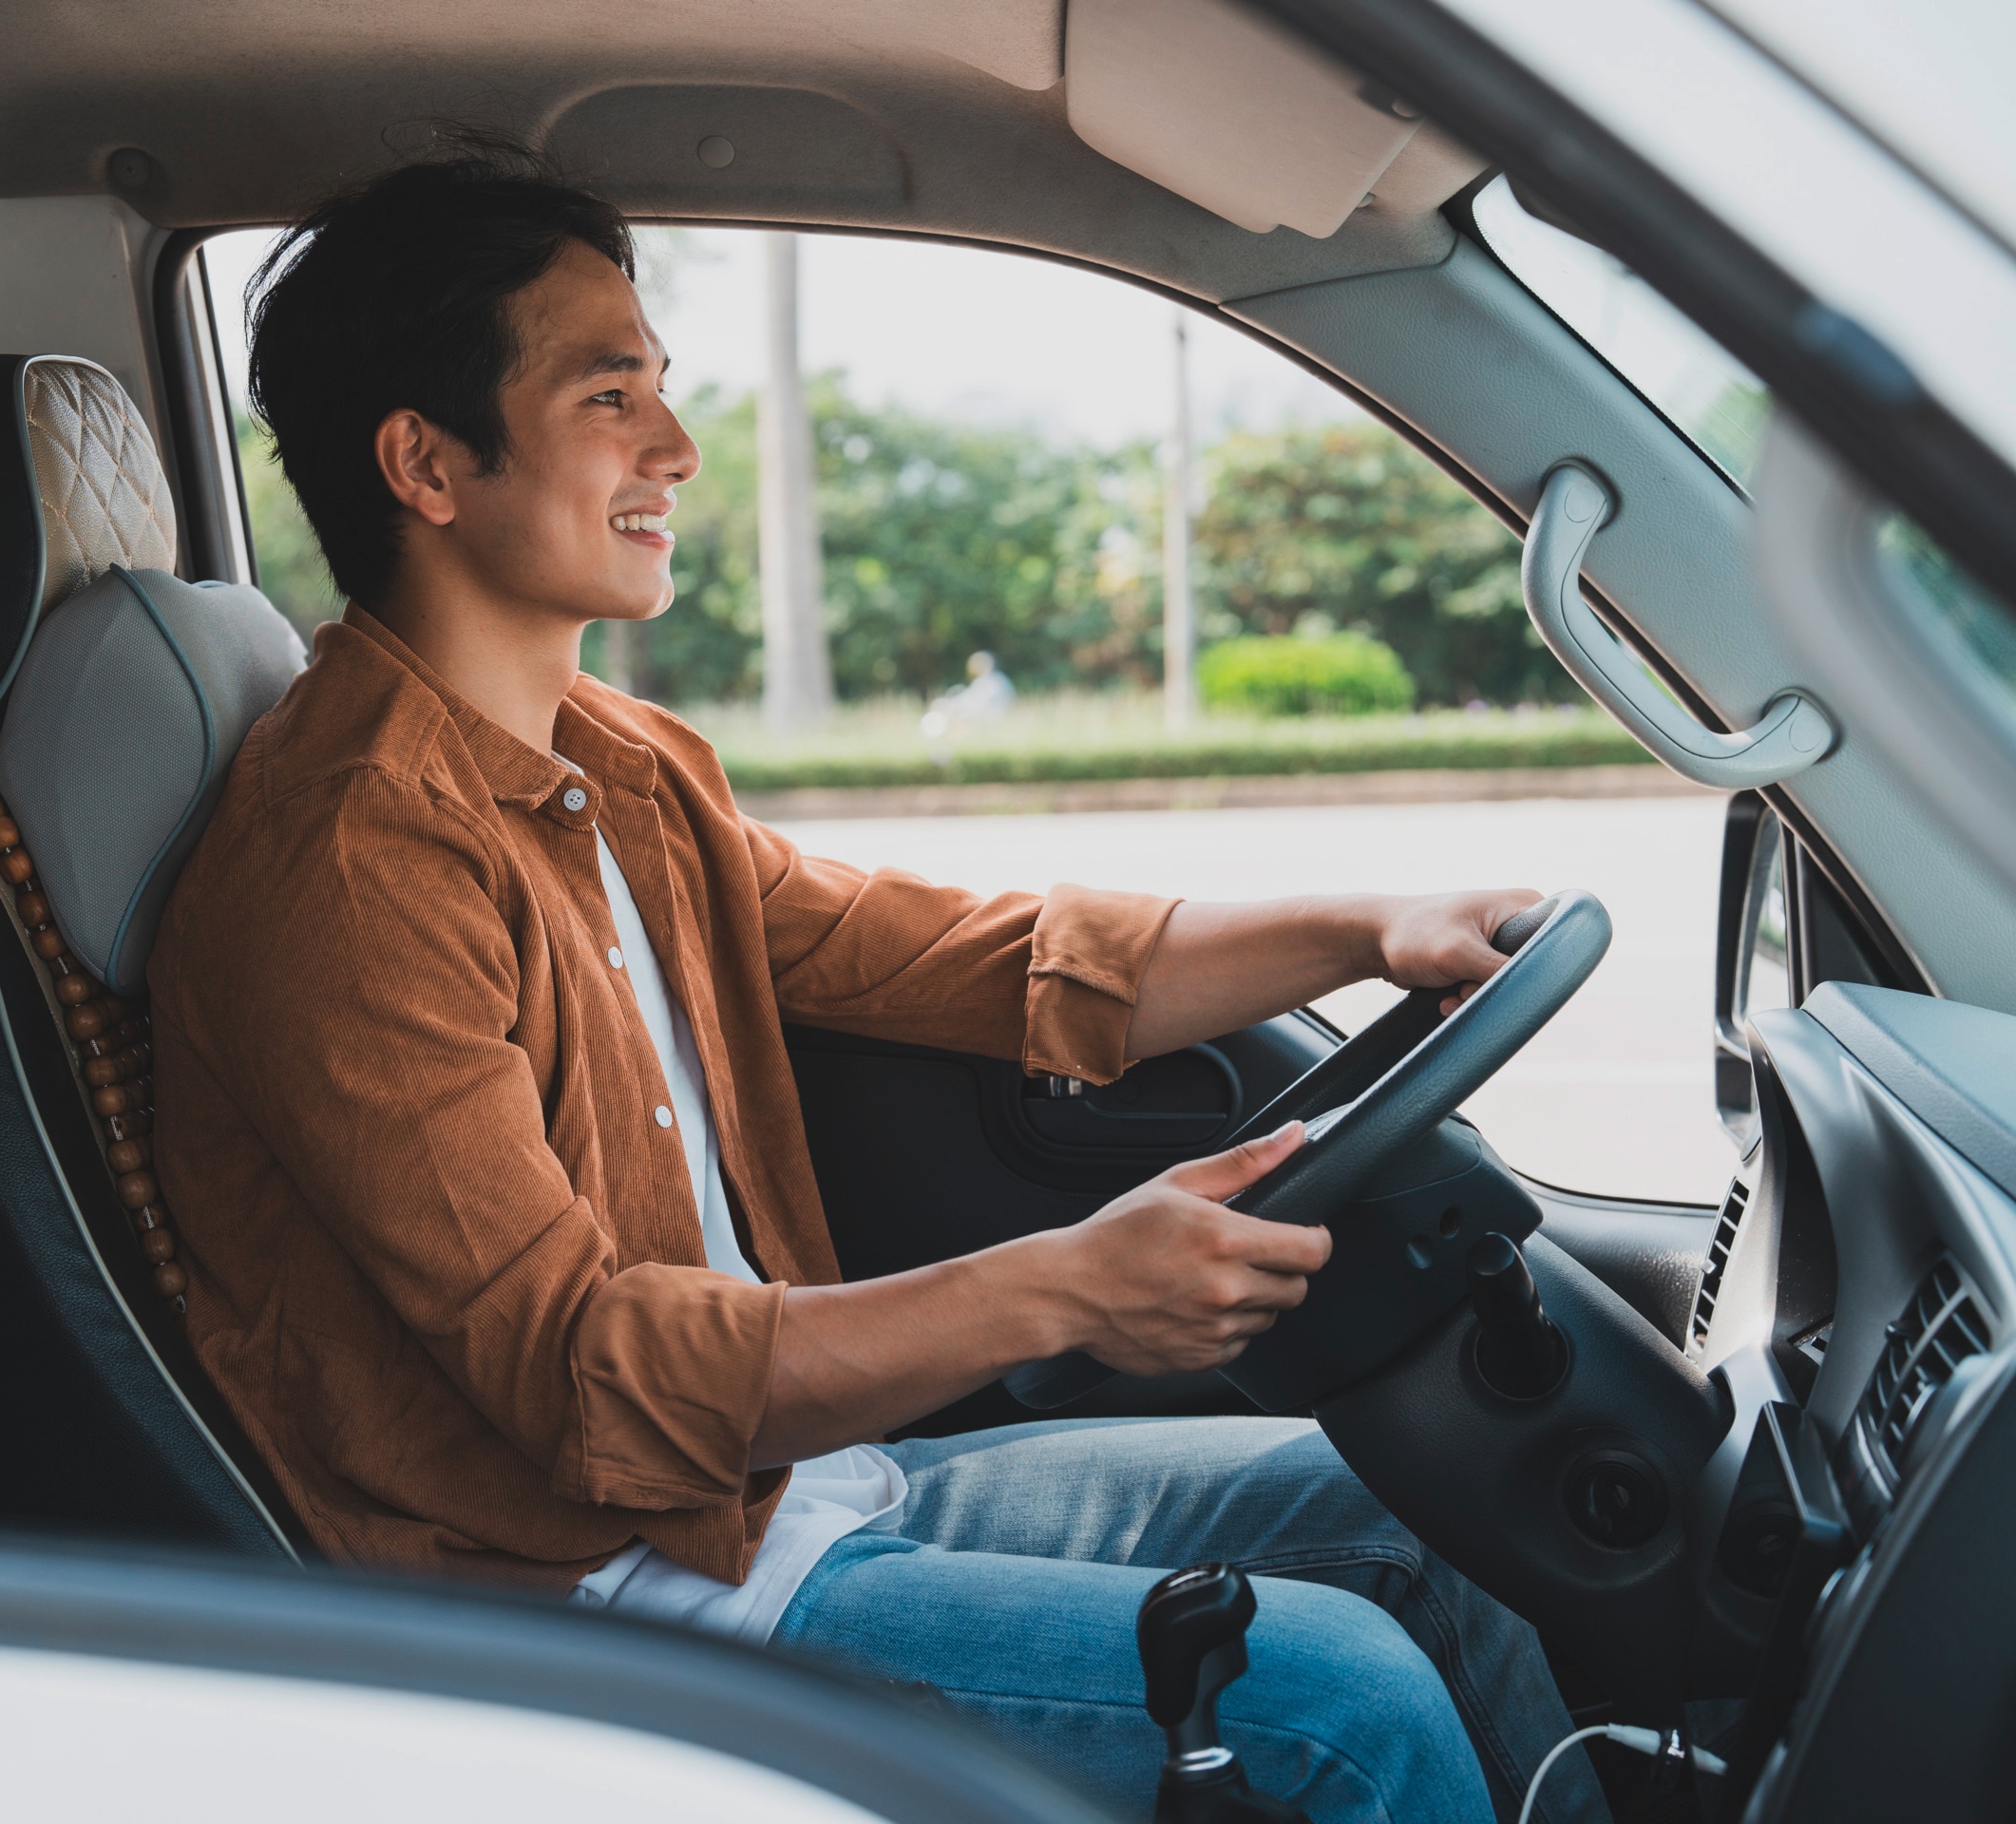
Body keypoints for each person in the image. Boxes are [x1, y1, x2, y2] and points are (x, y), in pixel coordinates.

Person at [147, 142, 1604, 1824]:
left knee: (1432, 1498)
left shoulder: (613, 762)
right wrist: (1066, 1288)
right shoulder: (348, 864)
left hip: (795, 1495)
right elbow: (589, 1374)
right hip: (600, 1603)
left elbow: (974, 959)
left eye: (662, 390)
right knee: (1337, 1703)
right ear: (427, 463)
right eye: (608, 396)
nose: (677, 451)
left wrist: (1367, 929)